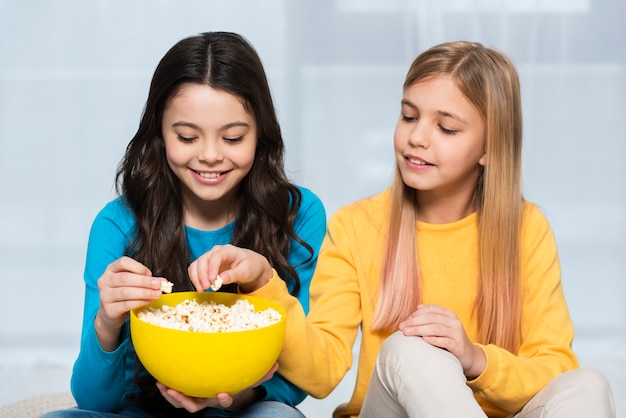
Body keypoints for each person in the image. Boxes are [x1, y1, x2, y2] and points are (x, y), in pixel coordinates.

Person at [186, 41, 617, 417]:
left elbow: (554, 365)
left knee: (588, 384)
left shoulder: (527, 229)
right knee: (410, 349)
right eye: (409, 117)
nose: (417, 138)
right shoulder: (357, 226)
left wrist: (474, 360)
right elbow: (320, 373)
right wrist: (265, 283)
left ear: (489, 147)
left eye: (445, 128)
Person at [42, 31, 326, 418]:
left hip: (242, 411)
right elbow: (94, 401)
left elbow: (298, 378)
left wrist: (233, 398)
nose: (210, 155)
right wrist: (107, 322)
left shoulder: (298, 214)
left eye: (233, 137)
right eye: (188, 136)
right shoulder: (117, 224)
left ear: (261, 133)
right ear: (160, 131)